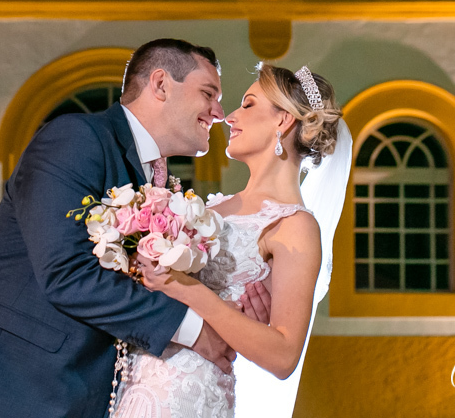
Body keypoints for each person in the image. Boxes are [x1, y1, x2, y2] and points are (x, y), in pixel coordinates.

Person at [0, 38, 269, 418]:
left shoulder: (161, 186)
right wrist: (195, 331)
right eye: (208, 93)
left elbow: (148, 281)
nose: (218, 112)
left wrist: (230, 314)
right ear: (161, 85)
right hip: (11, 381)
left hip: (85, 392)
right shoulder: (76, 139)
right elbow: (65, 273)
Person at [113, 62, 344, 418]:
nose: (230, 117)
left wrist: (187, 289)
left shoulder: (294, 225)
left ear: (283, 121)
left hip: (189, 395)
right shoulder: (214, 206)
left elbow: (283, 357)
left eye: (248, 104)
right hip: (134, 380)